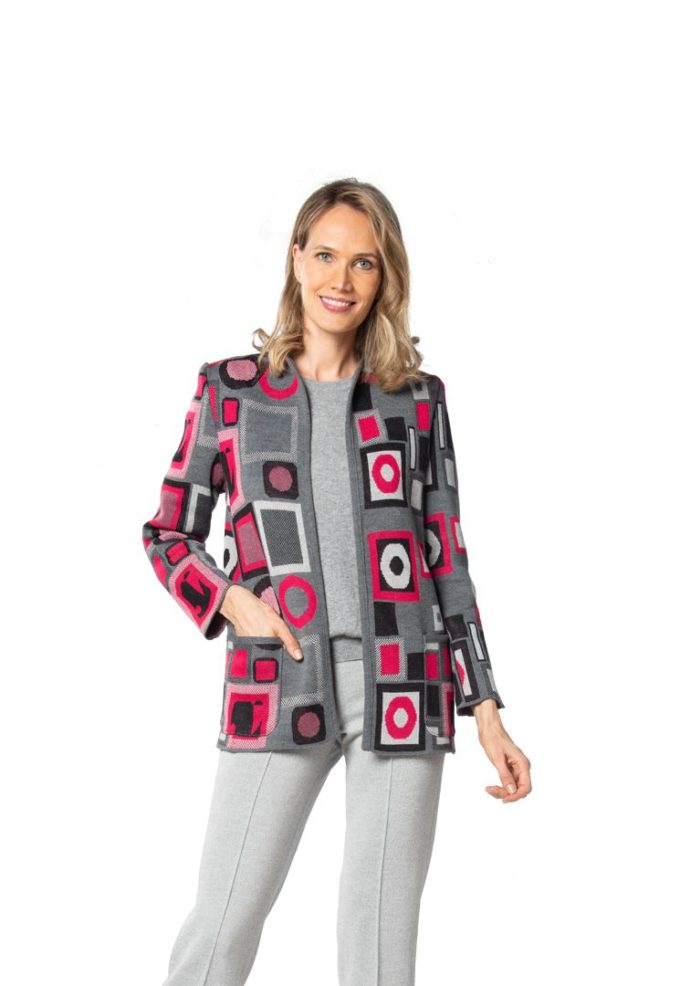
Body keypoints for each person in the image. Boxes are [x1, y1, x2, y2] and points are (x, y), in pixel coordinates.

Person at [141, 177, 532, 986]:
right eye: (325, 255)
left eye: (363, 262)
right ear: (295, 259)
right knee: (222, 924)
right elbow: (168, 534)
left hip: (405, 683)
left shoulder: (415, 401)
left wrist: (486, 706)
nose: (341, 280)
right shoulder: (231, 390)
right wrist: (232, 602)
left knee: (379, 943)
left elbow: (446, 557)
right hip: (278, 679)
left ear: (385, 277)